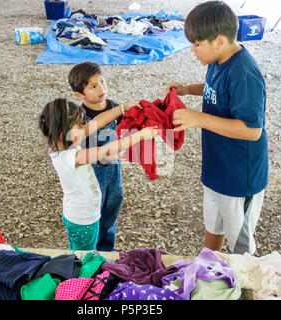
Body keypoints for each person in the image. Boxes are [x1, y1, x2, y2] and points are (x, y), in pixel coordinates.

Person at [167, 1, 268, 255]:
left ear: (219, 41)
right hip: (217, 170)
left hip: (239, 177)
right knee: (213, 224)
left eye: (197, 44)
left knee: (240, 245)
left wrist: (199, 118)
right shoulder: (219, 59)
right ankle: (208, 266)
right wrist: (188, 90)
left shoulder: (245, 73)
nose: (193, 50)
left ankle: (245, 286)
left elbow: (251, 130)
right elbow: (215, 87)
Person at [39, 98, 157, 251]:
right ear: (64, 134)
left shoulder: (63, 145)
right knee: (84, 257)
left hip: (78, 216)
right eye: (80, 126)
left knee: (77, 252)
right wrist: (139, 136)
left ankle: (71, 269)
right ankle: (82, 275)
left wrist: (122, 108)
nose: (84, 129)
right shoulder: (69, 157)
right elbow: (103, 150)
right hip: (83, 220)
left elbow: (97, 122)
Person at [67, 61, 124, 251]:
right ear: (79, 95)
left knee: (112, 208)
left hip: (114, 170)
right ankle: (87, 252)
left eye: (102, 81)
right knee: (93, 211)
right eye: (93, 86)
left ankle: (107, 253)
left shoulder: (115, 107)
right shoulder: (78, 116)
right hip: (91, 172)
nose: (102, 88)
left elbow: (127, 129)